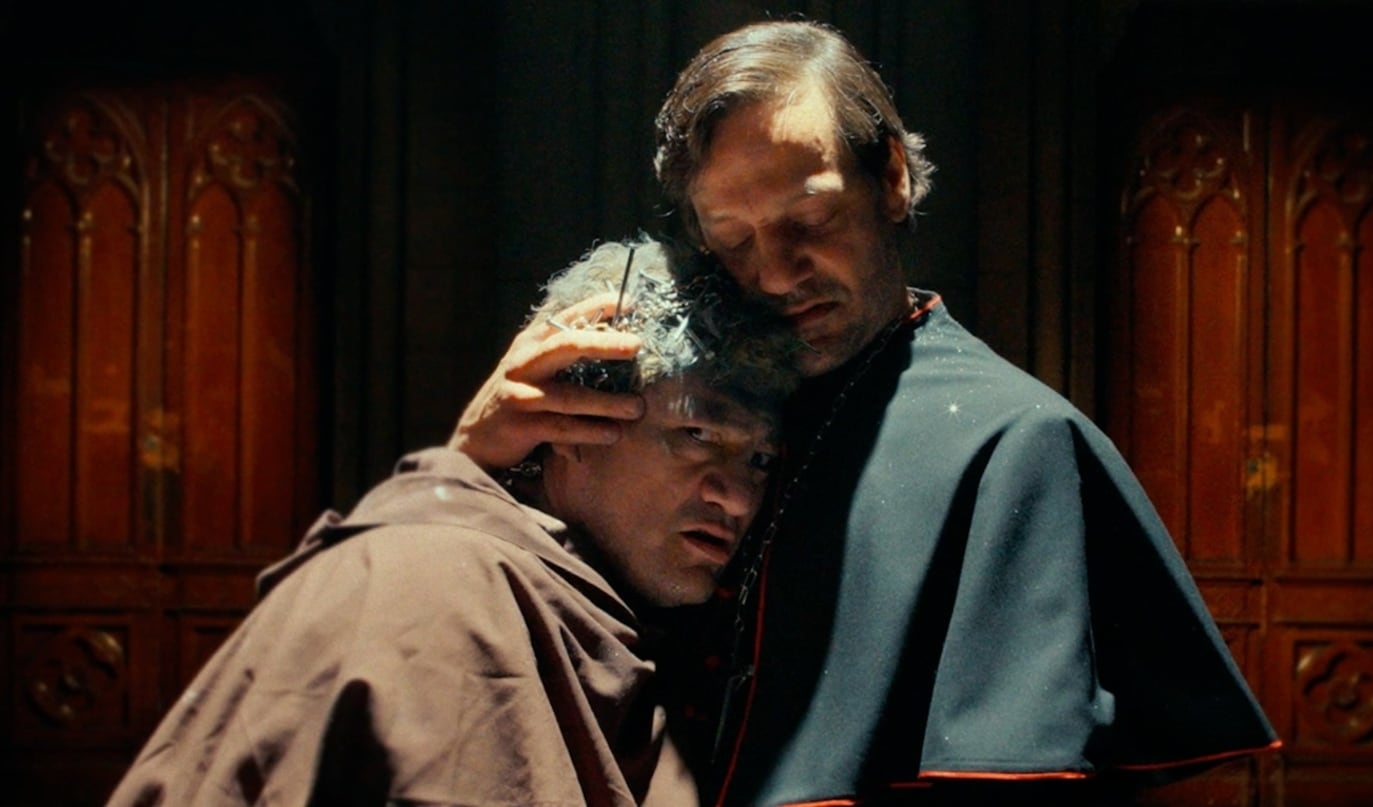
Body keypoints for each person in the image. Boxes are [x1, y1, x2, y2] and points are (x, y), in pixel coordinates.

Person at [450, 20, 1280, 807]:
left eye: (809, 221)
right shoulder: (719, 398)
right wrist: (467, 464)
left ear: (891, 178)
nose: (775, 274)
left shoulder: (1016, 444)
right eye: (732, 239)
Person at [105, 237, 801, 807]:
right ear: (567, 416)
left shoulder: (651, 623)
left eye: (760, 459)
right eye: (697, 436)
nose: (736, 498)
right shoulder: (441, 589)